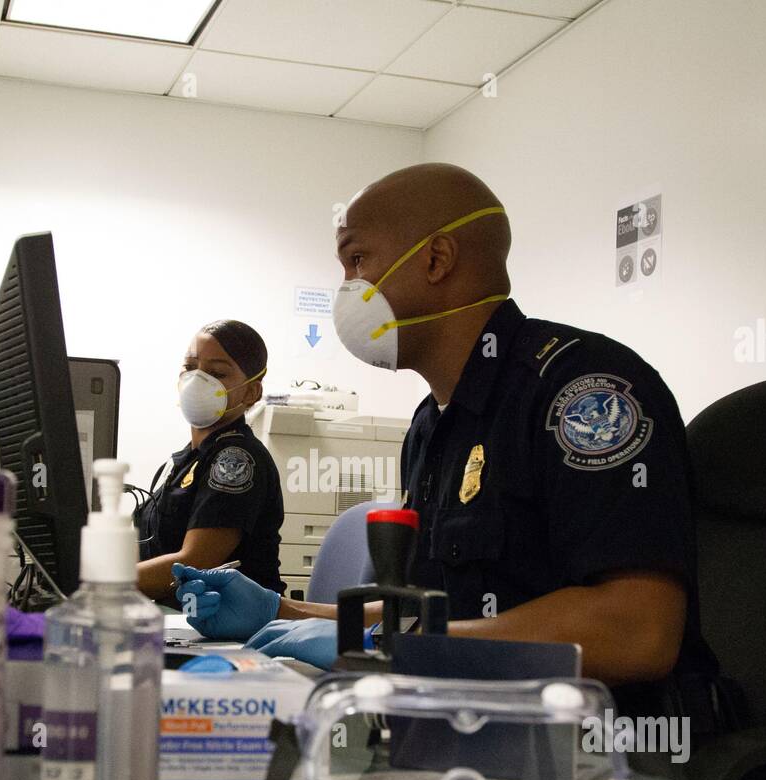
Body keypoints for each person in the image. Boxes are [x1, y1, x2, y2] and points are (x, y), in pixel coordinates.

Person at [174, 165, 724, 732]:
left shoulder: (580, 392)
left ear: (436, 259)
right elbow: (425, 610)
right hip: (466, 733)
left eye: (357, 260)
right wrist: (281, 610)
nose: (346, 286)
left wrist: (386, 648)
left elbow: (637, 632)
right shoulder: (432, 422)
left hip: (601, 751)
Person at [133, 320, 285, 602]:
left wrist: (103, 582)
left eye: (216, 373)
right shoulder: (185, 460)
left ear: (251, 392)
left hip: (233, 621)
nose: (197, 380)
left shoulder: (235, 459)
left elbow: (195, 562)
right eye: (190, 367)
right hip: (179, 615)